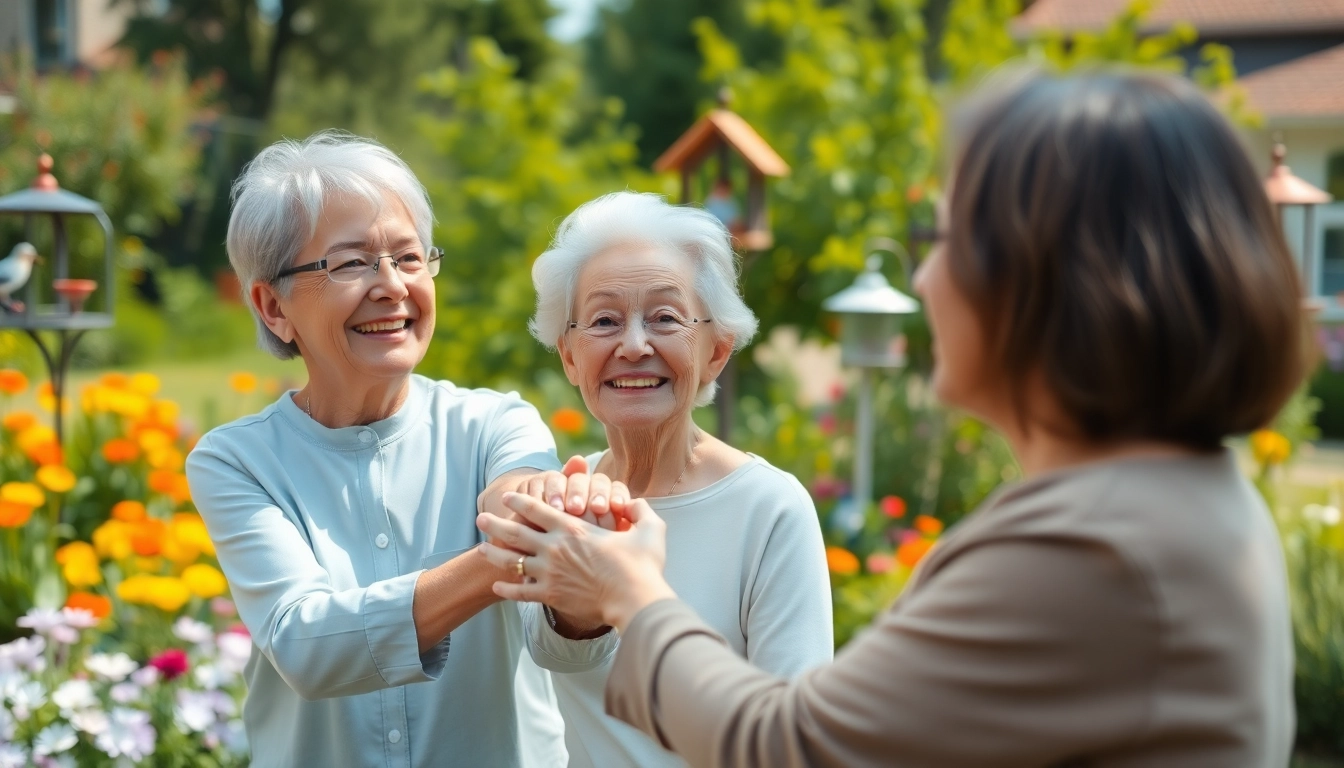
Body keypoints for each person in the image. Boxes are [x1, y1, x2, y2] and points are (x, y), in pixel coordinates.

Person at [477, 69, 1308, 767]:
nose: (924, 278)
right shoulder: (1154, 503)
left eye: (949, 238)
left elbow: (793, 746)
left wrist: (631, 593)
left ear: (1056, 282)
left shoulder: (1099, 543)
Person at [185, 131, 622, 768]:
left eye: (409, 257)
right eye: (350, 263)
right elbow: (305, 645)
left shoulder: (497, 423)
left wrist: (555, 527)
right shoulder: (238, 462)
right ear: (272, 305)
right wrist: (507, 555)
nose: (391, 285)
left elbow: (521, 507)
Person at [495, 191, 833, 767]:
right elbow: (556, 658)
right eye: (604, 321)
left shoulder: (769, 508)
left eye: (665, 318)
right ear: (570, 357)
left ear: (717, 351)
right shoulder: (566, 498)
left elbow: (796, 738)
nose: (633, 346)